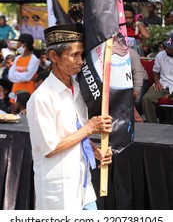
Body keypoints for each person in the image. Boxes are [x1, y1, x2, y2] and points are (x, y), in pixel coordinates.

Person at [26, 23, 113, 210]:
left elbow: (75, 133)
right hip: (58, 190)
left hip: (83, 185)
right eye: (74, 55)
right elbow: (50, 148)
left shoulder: (78, 89)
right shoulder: (41, 97)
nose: (80, 61)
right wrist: (89, 128)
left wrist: (94, 150)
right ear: (53, 56)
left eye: (81, 54)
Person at [142, 35, 173, 123]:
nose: (167, 49)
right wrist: (157, 83)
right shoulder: (160, 55)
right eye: (167, 46)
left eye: (170, 47)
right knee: (146, 98)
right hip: (164, 84)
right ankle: (151, 124)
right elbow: (155, 71)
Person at [8, 33, 39, 104]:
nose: (17, 45)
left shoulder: (33, 59)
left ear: (24, 45)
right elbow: (10, 75)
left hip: (27, 93)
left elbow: (26, 77)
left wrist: (15, 73)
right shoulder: (17, 58)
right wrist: (20, 75)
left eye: (19, 43)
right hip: (15, 91)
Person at [129, 47, 149, 117]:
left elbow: (138, 72)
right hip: (126, 81)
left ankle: (140, 118)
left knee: (137, 100)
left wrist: (137, 89)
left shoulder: (132, 53)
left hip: (141, 80)